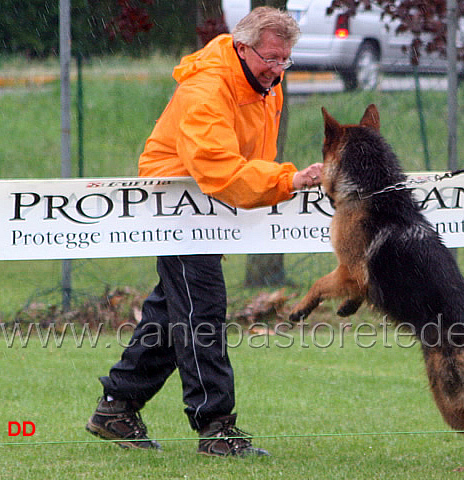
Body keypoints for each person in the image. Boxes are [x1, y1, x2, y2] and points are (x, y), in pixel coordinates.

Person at [86, 7, 323, 457]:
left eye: (285, 60)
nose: (278, 70)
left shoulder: (262, 84)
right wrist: (287, 181)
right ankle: (216, 428)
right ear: (242, 47)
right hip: (179, 205)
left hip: (211, 205)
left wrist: (259, 193)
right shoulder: (207, 89)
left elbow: (249, 157)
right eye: (270, 58)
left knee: (172, 312)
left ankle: (116, 407)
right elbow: (218, 167)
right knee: (202, 314)